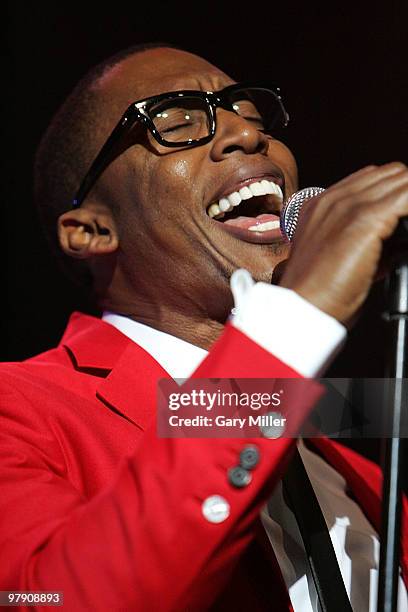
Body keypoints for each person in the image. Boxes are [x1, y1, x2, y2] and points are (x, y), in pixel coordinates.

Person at [1, 42, 407, 611]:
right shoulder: (19, 413)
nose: (246, 134)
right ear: (91, 230)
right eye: (177, 120)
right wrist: (300, 314)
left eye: (251, 113)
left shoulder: (363, 475)